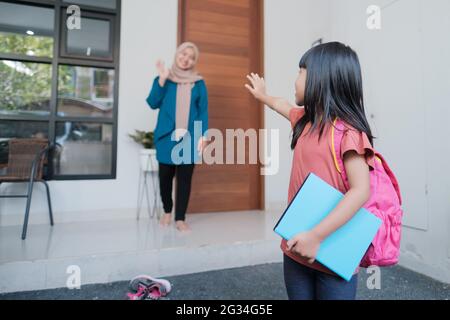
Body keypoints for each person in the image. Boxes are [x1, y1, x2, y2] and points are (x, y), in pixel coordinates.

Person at [245, 42, 376, 300]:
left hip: (333, 252)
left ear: (322, 79)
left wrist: (316, 236)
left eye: (301, 71)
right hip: (296, 247)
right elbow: (280, 104)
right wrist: (262, 95)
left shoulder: (348, 133)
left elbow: (361, 191)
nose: (295, 79)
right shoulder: (305, 120)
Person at [146, 42, 208, 232]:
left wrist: (203, 135)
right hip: (166, 137)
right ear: (177, 54)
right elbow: (152, 102)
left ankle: (180, 218)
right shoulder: (164, 79)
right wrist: (163, 80)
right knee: (165, 178)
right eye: (183, 54)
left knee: (184, 180)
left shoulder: (198, 83)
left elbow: (203, 111)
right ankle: (167, 211)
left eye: (191, 57)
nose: (185, 59)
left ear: (194, 61)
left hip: (189, 138)